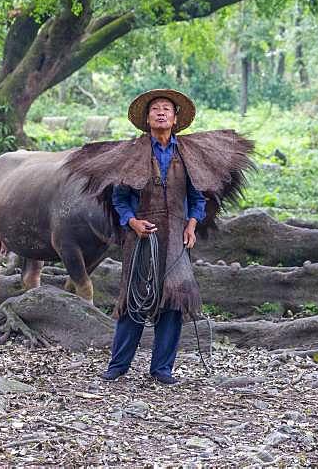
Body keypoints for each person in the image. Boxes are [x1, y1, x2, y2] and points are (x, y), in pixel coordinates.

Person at [65, 88, 253, 385]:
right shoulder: (133, 153)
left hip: (177, 236)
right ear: (147, 118)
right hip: (141, 238)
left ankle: (162, 369)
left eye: (167, 108)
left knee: (175, 302)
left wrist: (192, 224)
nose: (161, 112)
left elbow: (198, 197)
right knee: (134, 301)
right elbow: (119, 198)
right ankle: (118, 366)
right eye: (156, 109)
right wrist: (132, 222)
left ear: (176, 118)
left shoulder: (188, 154)